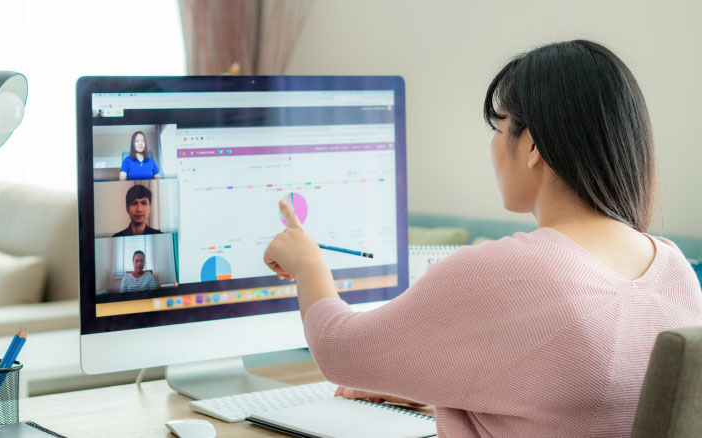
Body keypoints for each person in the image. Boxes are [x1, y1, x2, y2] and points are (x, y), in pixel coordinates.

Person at [264, 40, 702, 437]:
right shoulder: (675, 269)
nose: (494, 146)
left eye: (500, 127)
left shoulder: (504, 271)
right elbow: (585, 405)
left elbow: (340, 352)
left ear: (532, 145)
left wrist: (308, 262)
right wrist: (437, 390)